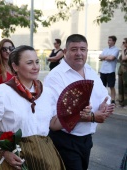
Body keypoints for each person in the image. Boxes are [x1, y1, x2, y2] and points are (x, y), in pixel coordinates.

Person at [0, 45, 93, 170]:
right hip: (11, 157)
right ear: (15, 67)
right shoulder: (2, 92)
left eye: (37, 62)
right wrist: (5, 151)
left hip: (43, 155)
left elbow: (53, 124)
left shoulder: (47, 93)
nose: (35, 67)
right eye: (29, 63)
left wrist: (76, 112)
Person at [44, 34, 115, 170]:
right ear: (65, 52)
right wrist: (92, 117)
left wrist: (104, 106)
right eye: (74, 49)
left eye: (83, 49)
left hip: (86, 139)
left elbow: (104, 96)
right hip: (65, 140)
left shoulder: (90, 71)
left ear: (87, 51)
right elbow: (54, 119)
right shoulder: (55, 77)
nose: (79, 53)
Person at [99, 35, 119, 104]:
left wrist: (104, 57)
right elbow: (100, 56)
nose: (108, 41)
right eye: (108, 40)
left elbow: (111, 58)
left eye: (110, 40)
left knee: (111, 86)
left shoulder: (116, 50)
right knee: (102, 86)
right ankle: (103, 99)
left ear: (114, 42)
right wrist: (106, 57)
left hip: (110, 70)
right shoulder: (105, 49)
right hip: (103, 70)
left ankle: (113, 100)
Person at [117, 38, 127, 108]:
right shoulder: (124, 50)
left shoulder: (124, 51)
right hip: (121, 71)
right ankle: (121, 102)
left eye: (124, 42)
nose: (123, 44)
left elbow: (124, 58)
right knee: (121, 87)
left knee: (126, 87)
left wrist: (123, 50)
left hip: (126, 72)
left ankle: (126, 103)